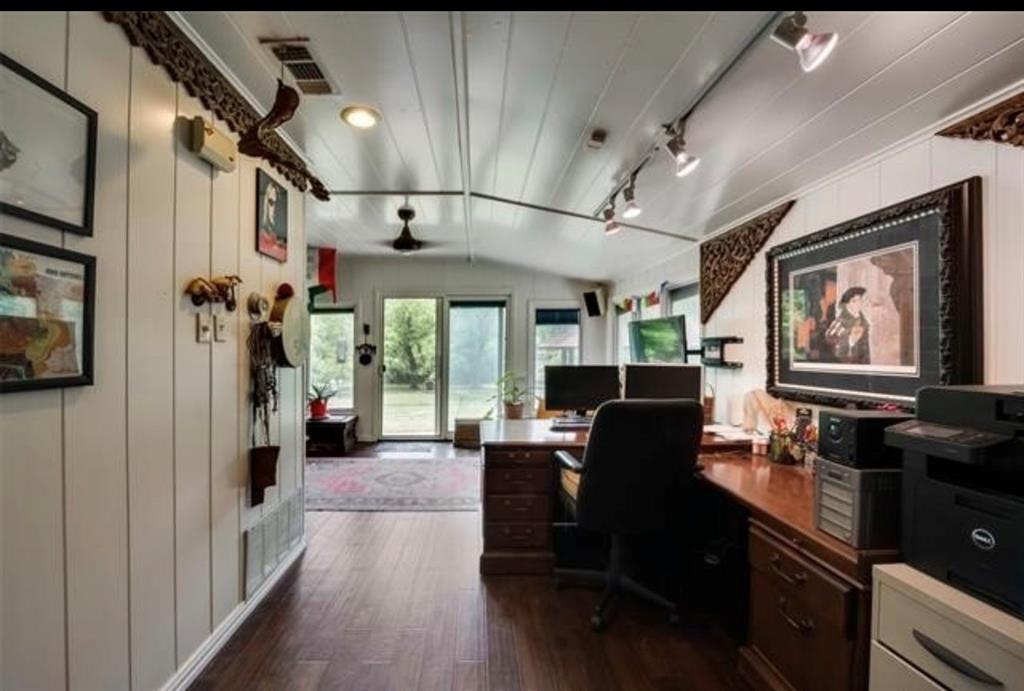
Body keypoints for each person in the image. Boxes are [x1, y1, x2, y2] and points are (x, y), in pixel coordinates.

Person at [825, 286, 870, 364]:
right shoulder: (840, 323)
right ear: (846, 305)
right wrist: (850, 341)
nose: (858, 303)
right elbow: (829, 341)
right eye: (854, 301)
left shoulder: (864, 322)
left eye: (860, 300)